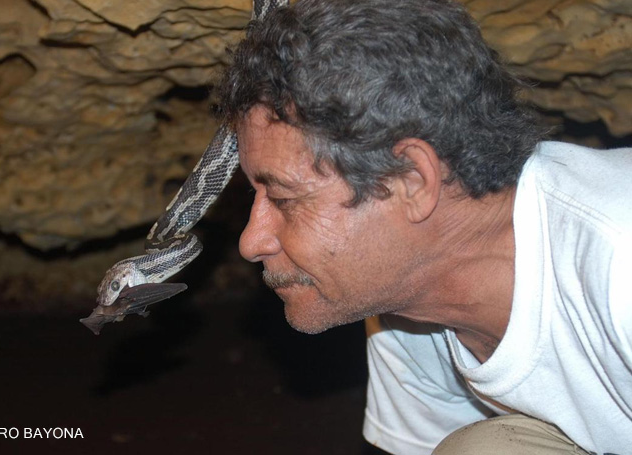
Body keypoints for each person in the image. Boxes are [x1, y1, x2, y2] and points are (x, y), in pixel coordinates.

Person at [213, 0, 632, 453]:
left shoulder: (618, 257)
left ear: (412, 181)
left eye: (284, 198)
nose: (251, 242)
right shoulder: (405, 305)